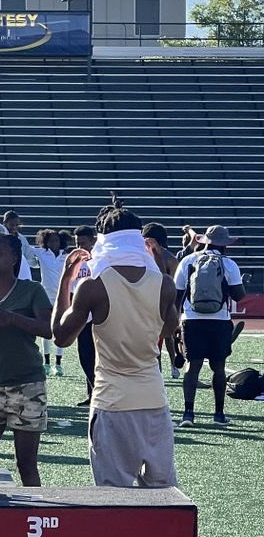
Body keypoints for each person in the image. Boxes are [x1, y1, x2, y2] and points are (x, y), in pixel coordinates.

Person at [52, 199, 180, 488]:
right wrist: (160, 269)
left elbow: (60, 336)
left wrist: (65, 281)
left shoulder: (93, 286)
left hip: (112, 403)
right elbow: (171, 329)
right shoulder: (164, 285)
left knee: (113, 498)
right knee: (162, 496)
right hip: (154, 401)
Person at [0, 234, 52, 486]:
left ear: (14, 258)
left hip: (27, 385)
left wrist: (12, 319)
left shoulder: (31, 290)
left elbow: (49, 329)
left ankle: (34, 515)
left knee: (25, 464)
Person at [173, 225, 245, 427]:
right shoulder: (229, 264)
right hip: (219, 320)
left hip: (192, 320)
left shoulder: (188, 261)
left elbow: (177, 294)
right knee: (218, 367)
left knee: (192, 366)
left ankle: (188, 414)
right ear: (224, 245)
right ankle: (219, 415)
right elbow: (239, 295)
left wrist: (176, 322)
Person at [142, 222, 184, 379]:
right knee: (165, 337)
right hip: (164, 301)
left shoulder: (167, 258)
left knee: (163, 337)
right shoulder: (169, 258)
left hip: (155, 301)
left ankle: (170, 366)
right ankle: (169, 367)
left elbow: (173, 281)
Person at [30, 228, 67, 376]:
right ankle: (46, 362)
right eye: (51, 240)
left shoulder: (66, 256)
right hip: (45, 296)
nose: (54, 243)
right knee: (46, 329)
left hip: (61, 296)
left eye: (56, 240)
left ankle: (58, 363)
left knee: (61, 329)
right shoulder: (41, 253)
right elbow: (27, 251)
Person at [72, 224, 97, 406]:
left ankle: (99, 393)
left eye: (83, 242)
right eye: (77, 242)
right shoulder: (76, 261)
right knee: (85, 357)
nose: (79, 246)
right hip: (82, 316)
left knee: (99, 358)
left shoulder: (98, 259)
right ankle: (92, 392)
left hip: (98, 316)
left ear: (92, 241)